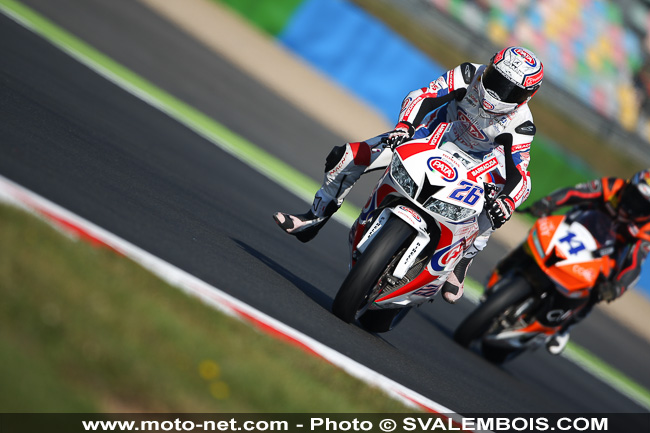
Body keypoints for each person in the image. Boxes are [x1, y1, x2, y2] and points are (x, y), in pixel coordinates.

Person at [273, 46, 544, 303]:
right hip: (435, 137)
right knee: (347, 155)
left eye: (510, 90)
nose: (497, 92)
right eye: (496, 79)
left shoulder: (522, 125)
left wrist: (506, 201)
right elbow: (423, 96)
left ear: (527, 96)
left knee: (502, 203)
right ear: (489, 67)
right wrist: (405, 126)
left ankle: (462, 261)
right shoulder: (468, 74)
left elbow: (519, 171)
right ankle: (314, 217)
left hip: (480, 164)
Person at [525, 169, 650, 354]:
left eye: (644, 204)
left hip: (604, 254)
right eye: (634, 196)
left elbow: (635, 262)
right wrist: (548, 203)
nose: (634, 205)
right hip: (575, 228)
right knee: (541, 232)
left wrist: (617, 287)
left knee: (599, 289)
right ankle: (507, 269)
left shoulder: (647, 228)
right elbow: (574, 193)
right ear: (629, 185)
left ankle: (564, 327)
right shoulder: (612, 186)